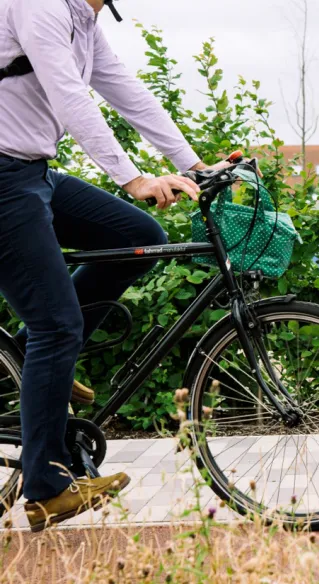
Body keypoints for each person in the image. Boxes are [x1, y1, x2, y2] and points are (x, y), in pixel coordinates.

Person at [0, 0, 224, 531]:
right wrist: (134, 178)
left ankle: (43, 360)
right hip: (4, 181)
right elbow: (70, 96)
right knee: (57, 325)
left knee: (138, 235)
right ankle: (47, 488)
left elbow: (129, 93)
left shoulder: (83, 18)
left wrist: (192, 163)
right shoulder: (39, 5)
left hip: (32, 172)